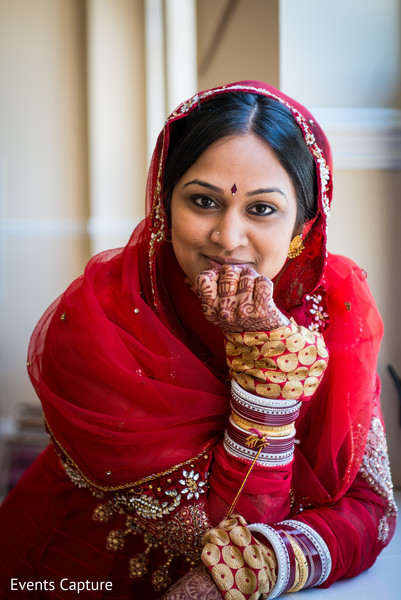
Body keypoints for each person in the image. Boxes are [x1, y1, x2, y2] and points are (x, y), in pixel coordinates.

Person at [0, 81, 397, 600]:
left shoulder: (335, 309)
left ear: (303, 225)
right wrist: (266, 375)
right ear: (165, 204)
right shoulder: (101, 329)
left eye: (261, 209)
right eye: (204, 201)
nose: (228, 238)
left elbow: (372, 506)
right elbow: (219, 535)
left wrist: (269, 563)